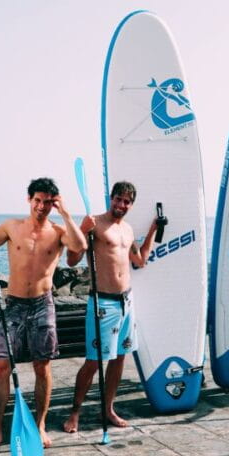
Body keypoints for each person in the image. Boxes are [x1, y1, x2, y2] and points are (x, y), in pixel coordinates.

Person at [0, 177, 87, 448]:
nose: (41, 206)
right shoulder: (12, 227)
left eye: (47, 202)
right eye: (37, 200)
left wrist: (65, 213)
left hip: (43, 304)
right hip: (14, 305)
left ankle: (40, 426)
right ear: (29, 200)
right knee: (1, 368)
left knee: (42, 367)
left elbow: (80, 246)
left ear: (53, 204)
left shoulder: (57, 231)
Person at [62, 181, 159, 433]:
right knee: (94, 362)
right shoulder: (95, 224)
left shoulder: (127, 230)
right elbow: (72, 261)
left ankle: (108, 409)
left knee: (119, 359)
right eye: (118, 199)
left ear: (131, 204)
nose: (121, 205)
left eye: (126, 201)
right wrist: (83, 231)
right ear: (111, 198)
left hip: (126, 302)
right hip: (102, 303)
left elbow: (140, 261)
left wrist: (151, 232)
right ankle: (75, 412)